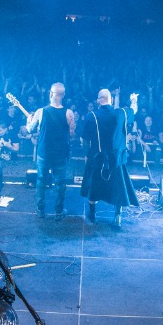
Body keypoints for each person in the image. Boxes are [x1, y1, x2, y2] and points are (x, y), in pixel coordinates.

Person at [80, 88, 138, 227]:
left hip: (97, 158)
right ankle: (117, 216)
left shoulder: (91, 116)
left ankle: (92, 215)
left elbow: (85, 140)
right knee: (118, 186)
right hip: (116, 159)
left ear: (98, 101)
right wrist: (134, 99)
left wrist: (87, 155)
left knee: (94, 186)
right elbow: (134, 110)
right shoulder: (121, 113)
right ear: (111, 100)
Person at [27, 82, 77, 219]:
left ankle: (40, 210)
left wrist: (28, 120)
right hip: (60, 154)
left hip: (44, 153)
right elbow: (72, 136)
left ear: (50, 94)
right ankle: (59, 212)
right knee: (60, 183)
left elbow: (30, 130)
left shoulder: (40, 112)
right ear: (63, 95)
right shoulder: (69, 113)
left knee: (41, 180)